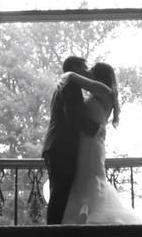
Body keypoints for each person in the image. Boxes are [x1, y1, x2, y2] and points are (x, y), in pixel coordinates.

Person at [59, 62, 142, 225]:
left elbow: (83, 82)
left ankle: (94, 220)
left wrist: (69, 74)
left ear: (100, 75)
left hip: (92, 146)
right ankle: (82, 219)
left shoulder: (106, 92)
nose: (88, 72)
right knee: (82, 181)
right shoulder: (96, 95)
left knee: (92, 178)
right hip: (85, 143)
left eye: (92, 70)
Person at [42, 56, 100, 225]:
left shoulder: (65, 85)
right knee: (59, 193)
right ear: (75, 68)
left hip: (58, 146)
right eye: (84, 67)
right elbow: (74, 115)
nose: (87, 71)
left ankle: (56, 233)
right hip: (61, 147)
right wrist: (97, 129)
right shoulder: (71, 85)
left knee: (60, 193)